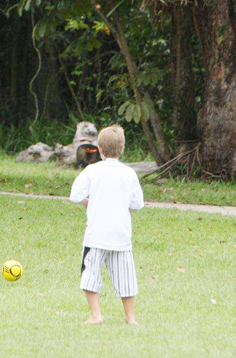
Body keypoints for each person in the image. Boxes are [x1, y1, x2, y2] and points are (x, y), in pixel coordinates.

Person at [69, 125, 144, 325]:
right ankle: (130, 317)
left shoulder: (92, 171)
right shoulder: (129, 174)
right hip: (121, 236)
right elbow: (137, 204)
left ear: (99, 148)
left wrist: (88, 202)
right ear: (123, 148)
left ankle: (96, 314)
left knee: (90, 275)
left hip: (96, 235)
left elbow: (75, 194)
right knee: (126, 277)